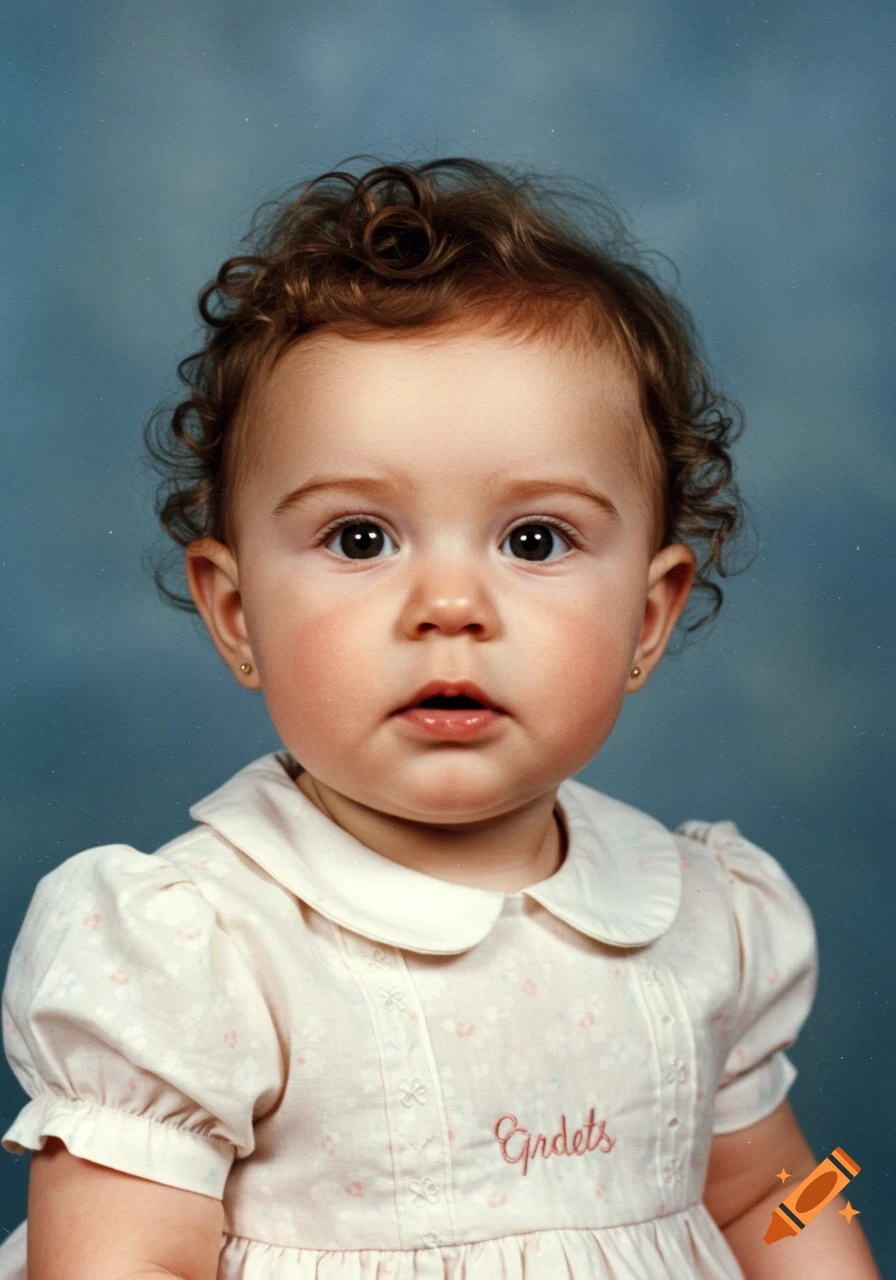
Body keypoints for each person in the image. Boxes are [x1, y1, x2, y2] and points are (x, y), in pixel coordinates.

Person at [0, 158, 881, 1279]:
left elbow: (772, 1195)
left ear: (649, 616)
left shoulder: (709, 921)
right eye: (360, 538)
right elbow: (120, 1263)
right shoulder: (197, 952)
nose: (451, 606)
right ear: (236, 612)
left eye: (534, 540)